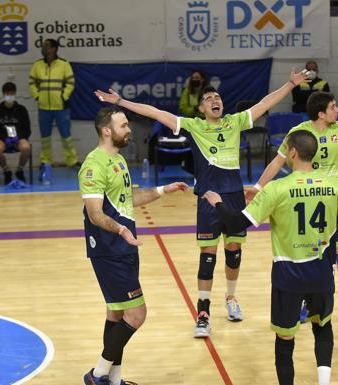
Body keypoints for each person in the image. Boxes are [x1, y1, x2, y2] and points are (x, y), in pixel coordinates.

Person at [94, 68, 311, 338]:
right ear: (201, 108)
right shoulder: (194, 126)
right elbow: (155, 112)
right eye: (208, 99)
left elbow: (265, 103)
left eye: (217, 97)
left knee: (233, 252)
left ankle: (231, 298)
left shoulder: (234, 122)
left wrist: (290, 83)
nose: (214, 100)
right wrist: (121, 102)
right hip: (209, 196)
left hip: (234, 196)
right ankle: (203, 311)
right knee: (207, 256)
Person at [202, 130, 338, 385]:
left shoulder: (277, 189)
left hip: (287, 276)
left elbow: (236, 222)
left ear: (292, 152)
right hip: (321, 272)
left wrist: (216, 203)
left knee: (285, 339)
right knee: (322, 327)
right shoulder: (333, 186)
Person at [245, 91, 338, 315]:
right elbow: (277, 161)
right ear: (321, 113)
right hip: (308, 193)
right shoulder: (298, 134)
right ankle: (309, 301)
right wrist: (258, 187)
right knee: (317, 255)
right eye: (333, 107)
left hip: (335, 192)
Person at [79, 106, 188, 385]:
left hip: (123, 247)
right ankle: (98, 374)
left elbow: (128, 201)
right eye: (124, 125)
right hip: (109, 248)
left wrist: (164, 190)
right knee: (137, 314)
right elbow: (95, 213)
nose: (129, 130)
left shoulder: (119, 160)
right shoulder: (94, 164)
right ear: (107, 130)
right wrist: (121, 230)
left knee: (116, 312)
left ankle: (114, 380)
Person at [29, 38, 78, 176]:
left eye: (46, 46)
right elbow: (31, 83)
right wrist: (37, 96)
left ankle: (72, 161)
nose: (43, 48)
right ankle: (46, 161)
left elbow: (71, 83)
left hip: (61, 107)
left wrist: (64, 97)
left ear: (53, 49)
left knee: (66, 135)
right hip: (43, 107)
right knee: (45, 137)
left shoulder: (64, 64)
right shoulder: (37, 65)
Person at [0, 82, 31, 184]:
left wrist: (18, 137)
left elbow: (27, 129)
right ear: (3, 94)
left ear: (15, 93)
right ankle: (6, 170)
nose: (9, 96)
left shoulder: (22, 110)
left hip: (18, 138)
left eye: (11, 93)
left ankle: (19, 170)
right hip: (3, 139)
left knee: (26, 147)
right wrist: (4, 138)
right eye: (7, 94)